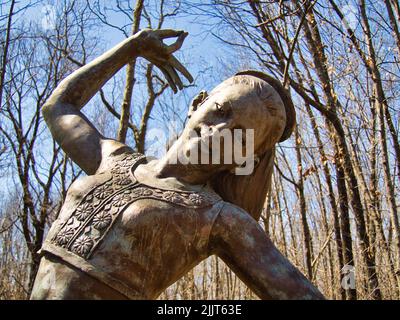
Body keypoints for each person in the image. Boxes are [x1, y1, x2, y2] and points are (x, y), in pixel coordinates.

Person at [30, 29, 324, 300]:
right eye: (221, 111)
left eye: (240, 136)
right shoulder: (112, 157)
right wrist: (132, 47)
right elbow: (57, 107)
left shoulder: (219, 218)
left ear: (244, 160)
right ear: (196, 104)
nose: (219, 132)